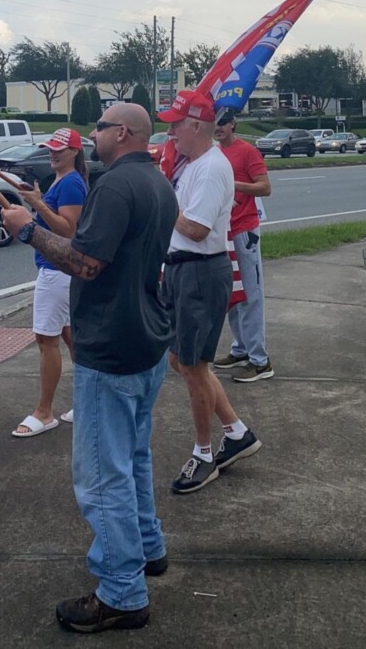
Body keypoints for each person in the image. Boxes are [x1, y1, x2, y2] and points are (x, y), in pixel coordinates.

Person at [2, 103, 178, 633]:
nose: (93, 135)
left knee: (102, 478)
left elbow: (86, 263)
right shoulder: (157, 182)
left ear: (120, 133)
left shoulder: (115, 186)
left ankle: (122, 592)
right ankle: (148, 547)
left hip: (113, 346)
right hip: (145, 340)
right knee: (134, 458)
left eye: (99, 127)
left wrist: (27, 229)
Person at [158, 91, 262, 495]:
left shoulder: (211, 168)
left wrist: (163, 203)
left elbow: (197, 229)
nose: (170, 132)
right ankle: (236, 432)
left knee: (194, 367)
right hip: (184, 271)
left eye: (176, 124)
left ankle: (204, 456)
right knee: (183, 361)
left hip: (200, 273)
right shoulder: (194, 163)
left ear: (197, 126)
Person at [12, 128, 88, 437]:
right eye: (50, 148)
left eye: (59, 148)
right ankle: (86, 403)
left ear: (74, 151)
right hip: (57, 271)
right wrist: (39, 200)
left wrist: (36, 207)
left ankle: (44, 412)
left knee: (47, 340)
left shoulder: (71, 183)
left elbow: (68, 230)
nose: (52, 152)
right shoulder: (62, 180)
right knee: (72, 339)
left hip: (56, 270)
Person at [213, 111, 274, 382]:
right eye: (214, 124)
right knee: (233, 294)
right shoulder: (214, 154)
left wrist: (234, 184)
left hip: (244, 230)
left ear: (232, 123)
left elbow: (265, 187)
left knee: (251, 294)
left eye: (223, 123)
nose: (218, 129)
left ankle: (260, 361)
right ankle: (240, 348)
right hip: (223, 230)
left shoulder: (247, 152)